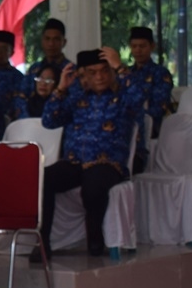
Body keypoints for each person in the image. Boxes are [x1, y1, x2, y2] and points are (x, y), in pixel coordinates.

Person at [37, 49, 145, 258]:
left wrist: (120, 68)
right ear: (83, 75)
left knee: (93, 186)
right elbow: (49, 120)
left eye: (105, 71)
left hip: (108, 163)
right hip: (75, 162)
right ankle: (42, 244)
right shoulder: (76, 97)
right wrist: (60, 88)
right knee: (44, 179)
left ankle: (96, 245)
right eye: (93, 72)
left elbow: (139, 99)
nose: (100, 76)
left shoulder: (122, 96)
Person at [118, 26, 173, 172]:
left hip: (151, 127)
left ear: (152, 46)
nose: (138, 50)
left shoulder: (160, 73)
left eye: (142, 46)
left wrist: (140, 116)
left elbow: (160, 107)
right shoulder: (127, 73)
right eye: (134, 46)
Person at [29, 17, 69, 82]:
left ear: (64, 42)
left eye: (56, 39)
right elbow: (24, 91)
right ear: (42, 41)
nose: (51, 44)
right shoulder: (34, 68)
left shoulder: (70, 70)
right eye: (47, 39)